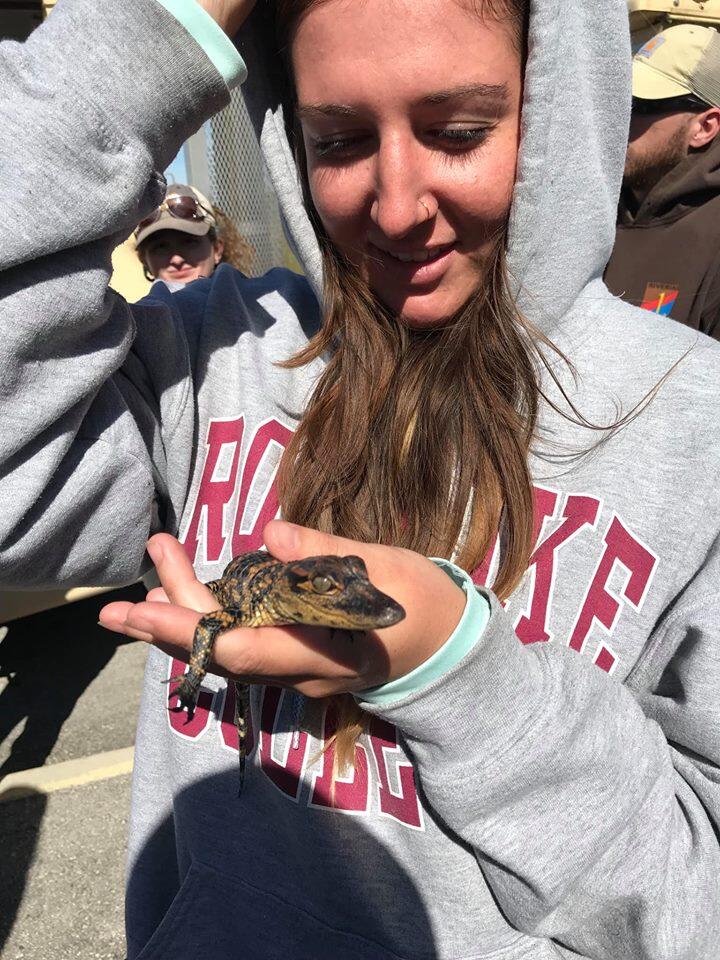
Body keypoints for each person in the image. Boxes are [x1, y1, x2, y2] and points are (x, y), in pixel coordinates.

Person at [2, 2, 720, 959]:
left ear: (556, 110)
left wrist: (461, 670)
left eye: (457, 133)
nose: (394, 208)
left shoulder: (695, 424)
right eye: (336, 139)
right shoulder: (224, 355)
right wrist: (149, 38)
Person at [605, 23, 720, 339]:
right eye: (620, 99)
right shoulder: (597, 207)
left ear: (705, 127)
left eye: (642, 105)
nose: (622, 116)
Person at [134, 182, 254, 284]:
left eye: (189, 242)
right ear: (144, 260)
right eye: (160, 247)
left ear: (217, 249)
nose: (176, 260)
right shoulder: (132, 311)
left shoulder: (254, 306)